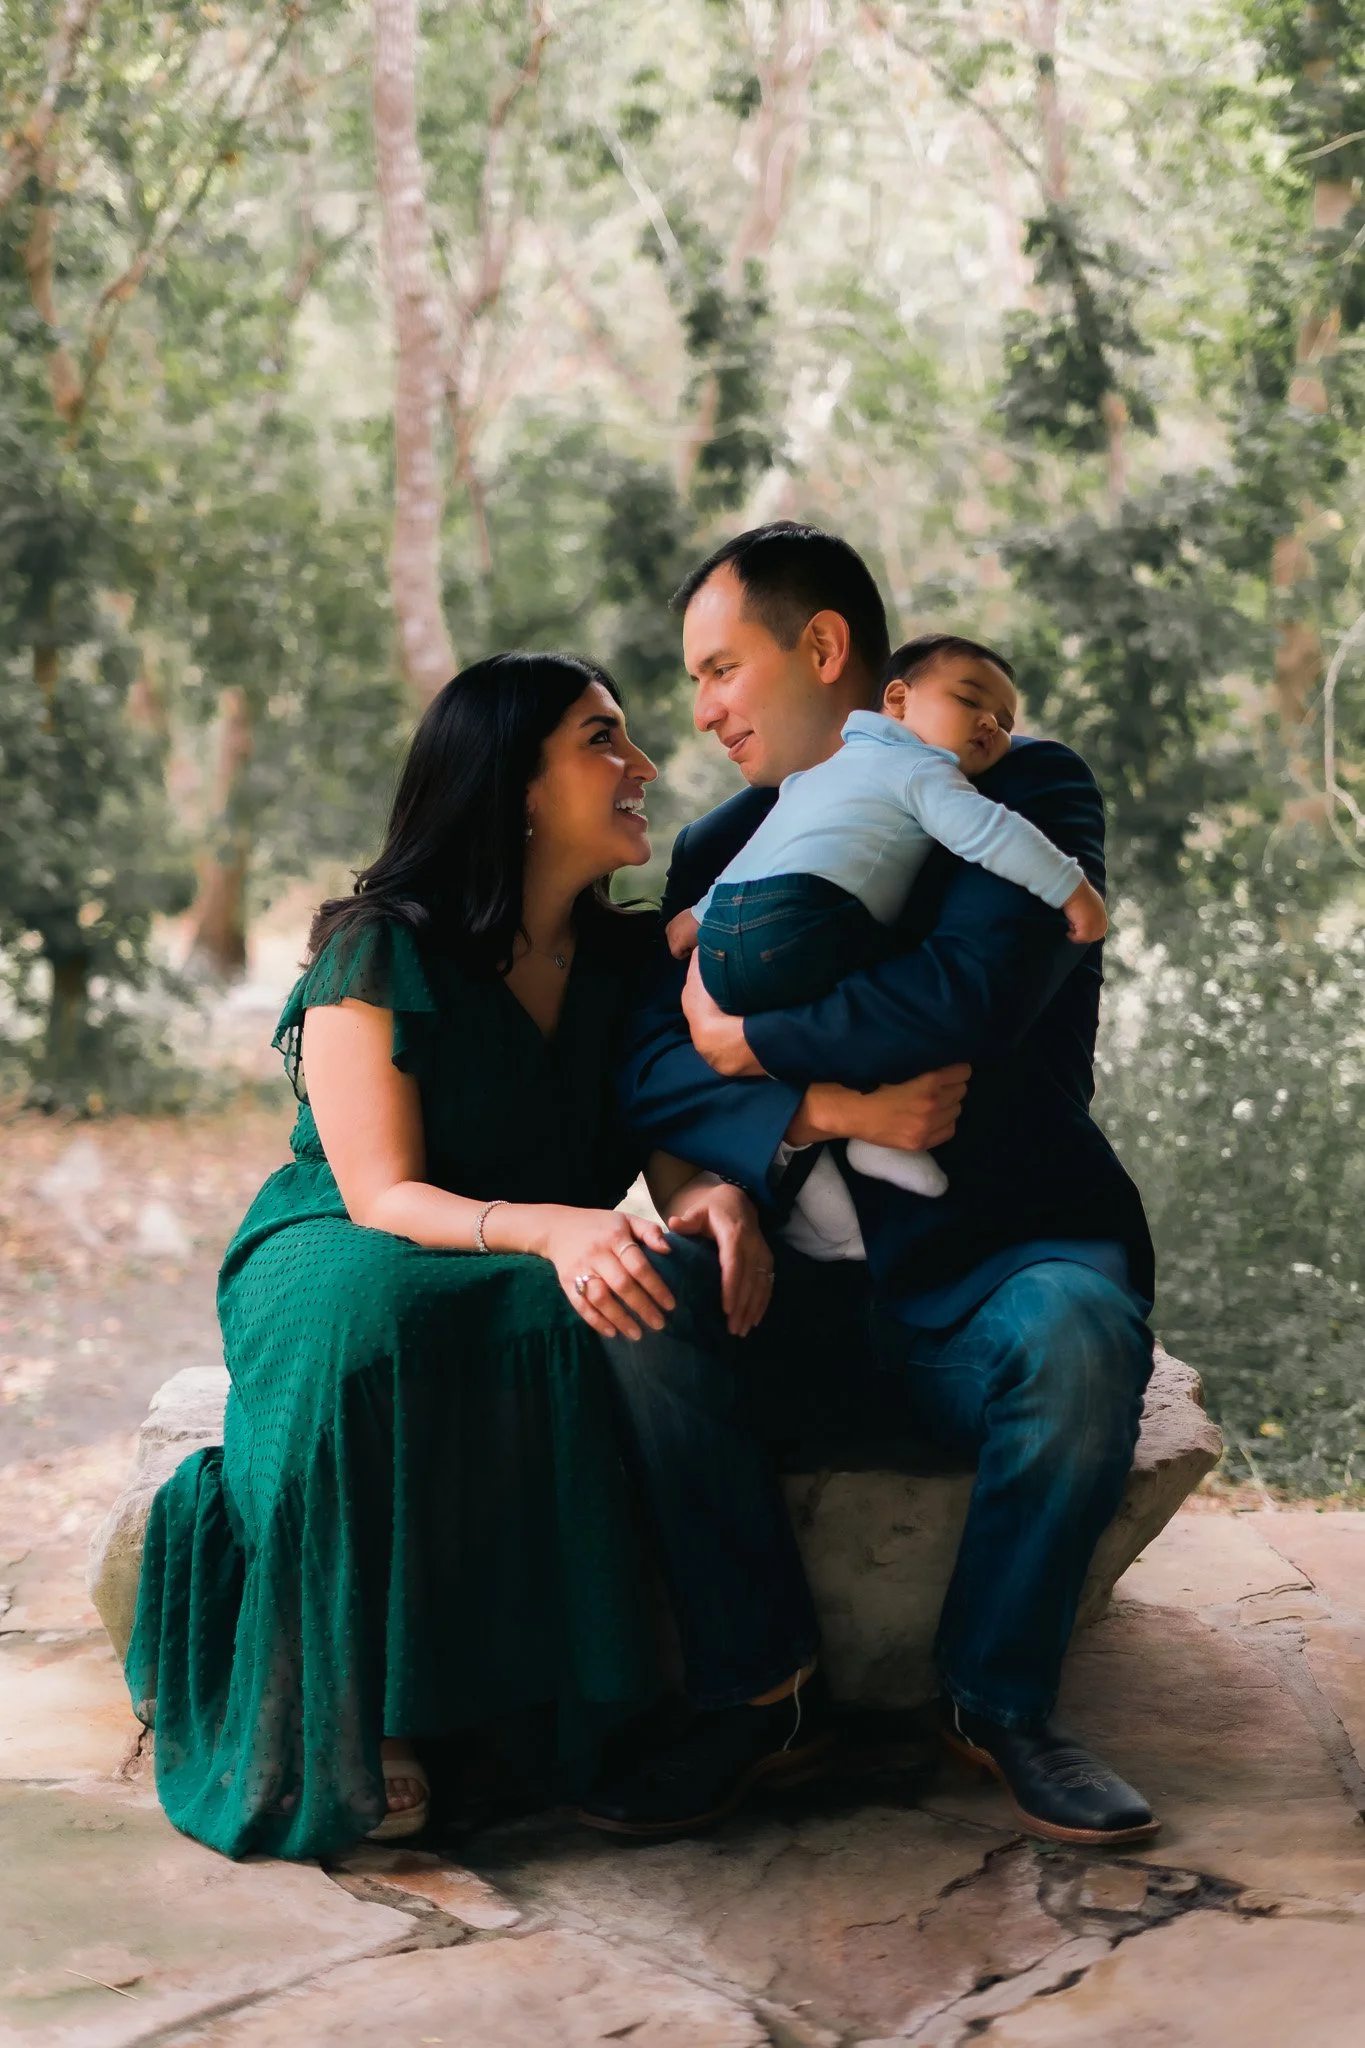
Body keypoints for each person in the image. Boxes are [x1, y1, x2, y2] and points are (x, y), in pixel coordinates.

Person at [125, 651, 776, 1861]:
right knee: (388, 1317)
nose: (643, 765)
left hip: (525, 1256)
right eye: (603, 738)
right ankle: (366, 1701)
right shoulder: (379, 947)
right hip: (347, 1243)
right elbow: (382, 1191)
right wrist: (557, 1224)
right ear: (515, 783)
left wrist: (718, 1200)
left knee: (597, 1303)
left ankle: (521, 1704)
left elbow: (673, 1142)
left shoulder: (632, 961)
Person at [581, 523, 1161, 1849]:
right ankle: (758, 1692)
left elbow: (975, 991)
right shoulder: (717, 844)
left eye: (721, 669)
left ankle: (997, 1702)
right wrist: (816, 1108)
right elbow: (650, 1070)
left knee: (1080, 1331)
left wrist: (751, 1042)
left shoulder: (1014, 777)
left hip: (990, 1270)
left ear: (826, 646)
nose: (704, 713)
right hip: (782, 1299)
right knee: (633, 1296)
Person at [664, 633, 1107, 1229]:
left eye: (1004, 722)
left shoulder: (818, 778)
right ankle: (875, 1131)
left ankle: (813, 1163)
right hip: (799, 930)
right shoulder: (921, 768)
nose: (990, 724)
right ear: (896, 699)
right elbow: (992, 834)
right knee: (894, 974)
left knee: (843, 987)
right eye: (970, 700)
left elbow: (760, 855)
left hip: (728, 941)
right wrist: (1075, 892)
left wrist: (698, 918)